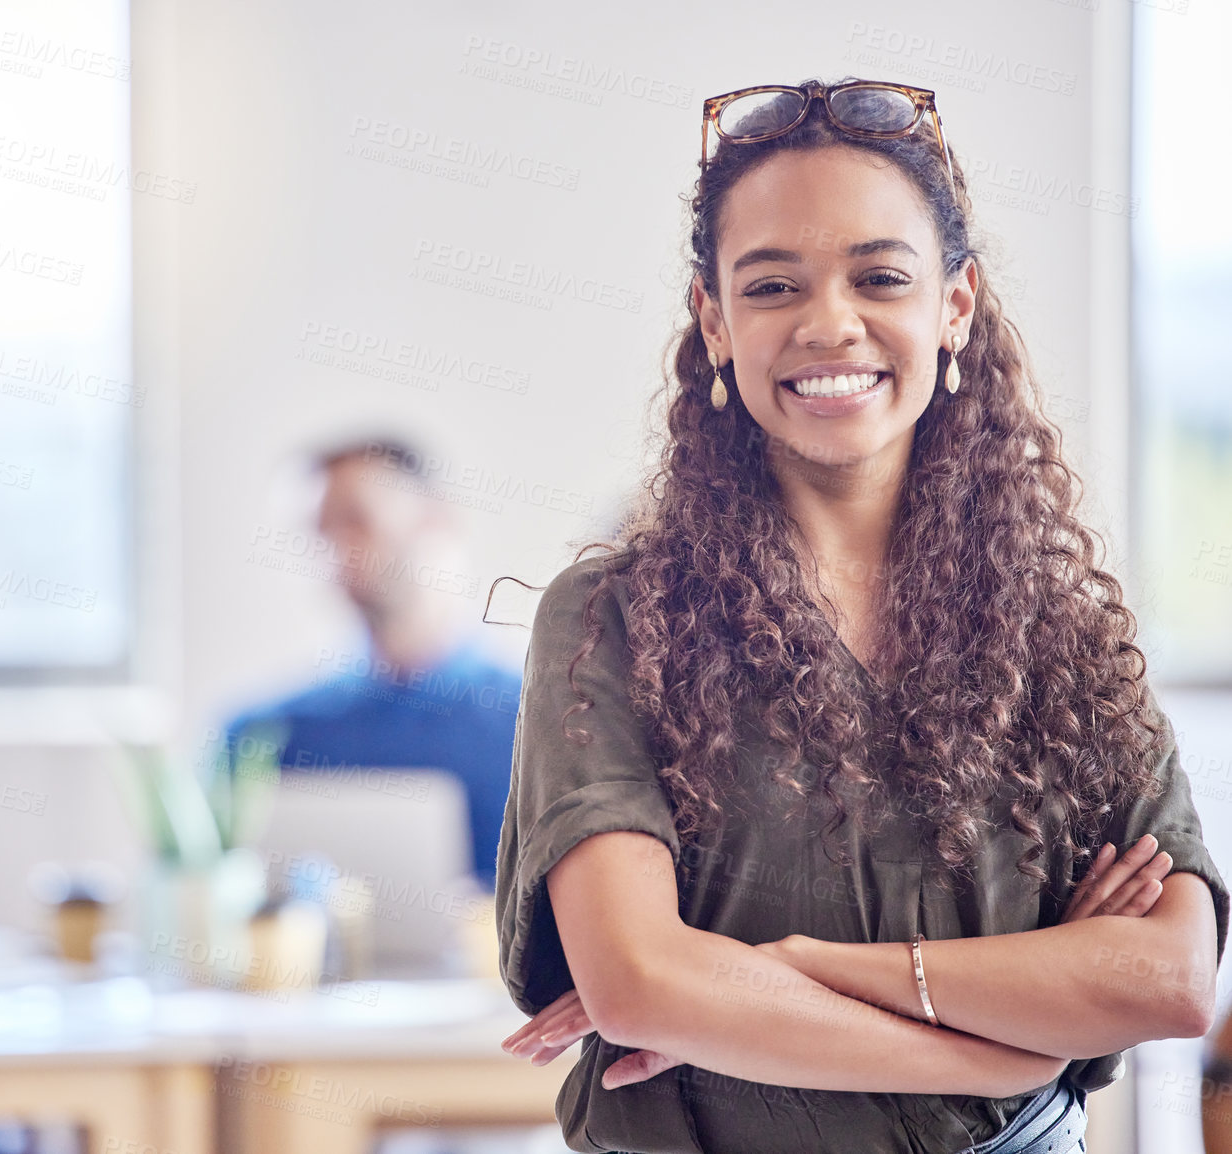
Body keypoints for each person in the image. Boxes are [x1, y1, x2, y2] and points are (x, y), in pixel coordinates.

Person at [494, 77, 1228, 1154]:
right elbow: (643, 982)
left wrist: (787, 967)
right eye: (773, 283)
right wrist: (1011, 1046)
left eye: (880, 275)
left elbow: (1167, 979)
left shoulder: (1057, 630)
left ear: (955, 305)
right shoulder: (614, 618)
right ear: (716, 320)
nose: (829, 322)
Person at [221, 436, 521, 894]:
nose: (335, 551)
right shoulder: (260, 735)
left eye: (355, 521)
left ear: (435, 520)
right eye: (319, 532)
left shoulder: (544, 722)